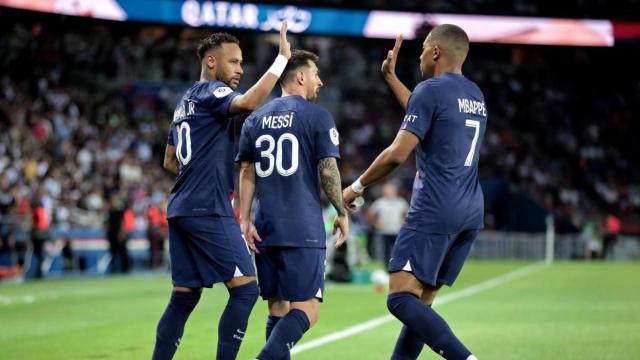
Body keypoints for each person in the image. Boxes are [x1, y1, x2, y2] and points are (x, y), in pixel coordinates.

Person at [343, 24, 487, 360]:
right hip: (470, 210)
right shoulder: (475, 95)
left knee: (399, 298)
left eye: (423, 48)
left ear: (436, 51)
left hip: (436, 206)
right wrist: (392, 79)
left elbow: (396, 155)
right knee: (419, 306)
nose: (420, 54)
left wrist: (356, 187)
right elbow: (429, 114)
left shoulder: (430, 90)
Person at [152, 22, 291, 360]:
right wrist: (282, 60)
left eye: (242, 63)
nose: (240, 69)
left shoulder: (184, 101)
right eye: (234, 62)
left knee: (184, 298)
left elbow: (170, 160)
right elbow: (246, 104)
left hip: (181, 208)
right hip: (206, 208)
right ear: (211, 62)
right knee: (246, 291)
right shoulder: (209, 92)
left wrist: (202, 166)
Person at [235, 49, 349, 360]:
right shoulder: (317, 116)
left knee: (278, 308)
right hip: (303, 228)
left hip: (266, 227)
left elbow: (247, 171)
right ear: (300, 76)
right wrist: (341, 211)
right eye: (315, 74)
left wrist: (244, 219)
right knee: (308, 311)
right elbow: (328, 169)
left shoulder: (254, 118)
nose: (320, 81)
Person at [368, 182, 408, 265]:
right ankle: (386, 268)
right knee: (384, 252)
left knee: (398, 251)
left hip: (397, 231)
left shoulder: (400, 202)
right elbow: (370, 213)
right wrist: (376, 224)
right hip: (384, 231)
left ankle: (397, 266)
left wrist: (403, 222)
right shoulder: (380, 202)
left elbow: (407, 213)